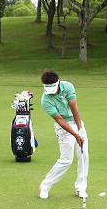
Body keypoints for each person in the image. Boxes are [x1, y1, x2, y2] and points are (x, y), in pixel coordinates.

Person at [38, 69, 89, 199]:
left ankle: (80, 188)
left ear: (58, 81)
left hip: (77, 123)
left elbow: (74, 108)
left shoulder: (68, 86)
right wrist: (76, 135)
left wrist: (80, 129)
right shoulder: (45, 100)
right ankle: (44, 186)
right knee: (66, 160)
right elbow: (60, 120)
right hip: (64, 128)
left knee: (83, 156)